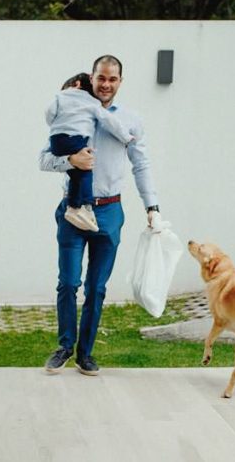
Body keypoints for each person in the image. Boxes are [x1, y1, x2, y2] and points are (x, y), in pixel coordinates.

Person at [40, 55, 161, 376]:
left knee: (96, 288)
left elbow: (141, 165)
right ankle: (65, 346)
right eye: (101, 78)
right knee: (68, 282)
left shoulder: (130, 120)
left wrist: (152, 206)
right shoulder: (72, 111)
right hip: (72, 211)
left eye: (112, 79)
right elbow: (44, 160)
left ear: (120, 81)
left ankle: (86, 354)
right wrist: (70, 162)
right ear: (91, 79)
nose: (106, 84)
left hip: (109, 211)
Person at [46, 72, 134, 233]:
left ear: (76, 84)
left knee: (76, 174)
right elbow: (110, 121)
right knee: (85, 172)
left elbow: (49, 113)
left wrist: (57, 124)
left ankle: (75, 207)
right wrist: (126, 137)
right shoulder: (92, 103)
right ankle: (84, 206)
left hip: (57, 139)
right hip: (76, 139)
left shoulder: (60, 98)